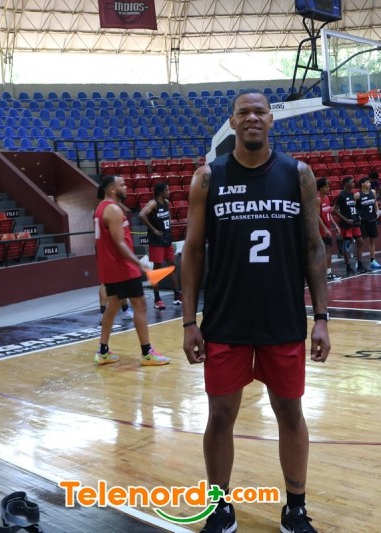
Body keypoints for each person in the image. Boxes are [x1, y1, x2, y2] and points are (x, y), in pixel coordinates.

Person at [182, 89, 331, 533]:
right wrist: (189, 321)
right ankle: (219, 507)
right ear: (232, 121)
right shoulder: (207, 178)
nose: (252, 118)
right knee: (219, 416)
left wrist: (322, 318)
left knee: (290, 413)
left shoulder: (298, 174)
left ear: (271, 120)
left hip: (282, 318)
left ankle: (295, 508)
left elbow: (313, 247)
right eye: (243, 112)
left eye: (259, 112)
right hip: (225, 320)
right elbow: (193, 252)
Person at [93, 175, 170, 366]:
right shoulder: (113, 209)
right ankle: (147, 353)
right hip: (123, 268)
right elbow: (119, 243)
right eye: (122, 185)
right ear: (112, 189)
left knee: (112, 306)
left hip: (110, 268)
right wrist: (139, 263)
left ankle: (102, 351)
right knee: (140, 305)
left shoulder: (100, 208)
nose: (126, 187)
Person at [138, 182, 182, 309]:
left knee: (172, 267)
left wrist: (168, 230)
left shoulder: (167, 203)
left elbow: (168, 219)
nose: (169, 191)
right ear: (161, 192)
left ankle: (177, 295)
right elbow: (141, 215)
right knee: (157, 270)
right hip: (156, 241)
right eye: (167, 190)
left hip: (167, 239)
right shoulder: (153, 203)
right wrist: (153, 230)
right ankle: (157, 299)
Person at [334, 176, 365, 275]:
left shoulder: (352, 194)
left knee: (360, 241)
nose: (353, 183)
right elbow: (335, 210)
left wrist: (358, 215)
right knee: (346, 244)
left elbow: (353, 207)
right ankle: (348, 266)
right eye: (351, 182)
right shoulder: (341, 196)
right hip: (346, 223)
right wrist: (346, 219)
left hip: (355, 222)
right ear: (345, 184)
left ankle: (359, 264)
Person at [356, 176, 381, 269]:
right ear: (362, 184)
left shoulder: (373, 192)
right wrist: (357, 215)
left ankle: (373, 260)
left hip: (372, 219)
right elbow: (353, 206)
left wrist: (377, 210)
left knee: (372, 240)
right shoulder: (357, 195)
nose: (369, 184)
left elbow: (375, 201)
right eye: (367, 182)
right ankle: (358, 262)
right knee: (360, 242)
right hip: (363, 221)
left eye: (369, 182)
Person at [316, 178, 341, 281]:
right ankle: (325, 273)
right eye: (326, 187)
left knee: (328, 250)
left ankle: (328, 272)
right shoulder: (318, 199)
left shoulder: (326, 198)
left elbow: (328, 213)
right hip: (321, 230)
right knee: (325, 251)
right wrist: (325, 229)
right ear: (320, 188)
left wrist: (335, 225)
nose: (328, 188)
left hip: (328, 229)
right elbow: (316, 216)